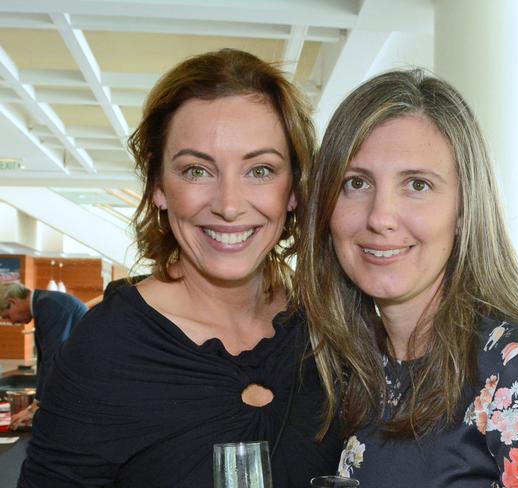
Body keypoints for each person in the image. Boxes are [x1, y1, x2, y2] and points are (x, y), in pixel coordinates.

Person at [18, 49, 340, 487]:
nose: (228, 205)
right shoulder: (108, 348)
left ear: (294, 191)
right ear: (158, 187)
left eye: (260, 170)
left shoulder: (329, 329)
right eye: (196, 170)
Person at [298, 70, 518, 487]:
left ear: (463, 211)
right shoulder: (353, 374)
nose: (380, 217)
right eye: (356, 183)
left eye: (417, 184)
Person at [0, 282, 87, 429]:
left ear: (12, 302)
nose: (13, 322)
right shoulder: (44, 304)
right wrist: (34, 405)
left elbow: (53, 359)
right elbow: (44, 361)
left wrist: (36, 407)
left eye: (7, 316)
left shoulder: (50, 306)